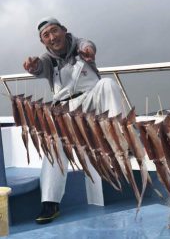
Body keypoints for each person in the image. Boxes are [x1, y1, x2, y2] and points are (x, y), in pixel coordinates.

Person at [23, 17, 125, 224]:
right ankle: (50, 203)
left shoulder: (80, 45)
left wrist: (89, 52)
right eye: (46, 35)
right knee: (54, 143)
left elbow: (88, 46)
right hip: (66, 111)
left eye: (55, 31)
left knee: (107, 83)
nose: (52, 37)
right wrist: (32, 68)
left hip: (91, 101)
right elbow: (39, 68)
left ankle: (121, 142)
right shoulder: (47, 59)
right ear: (43, 42)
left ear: (64, 31)